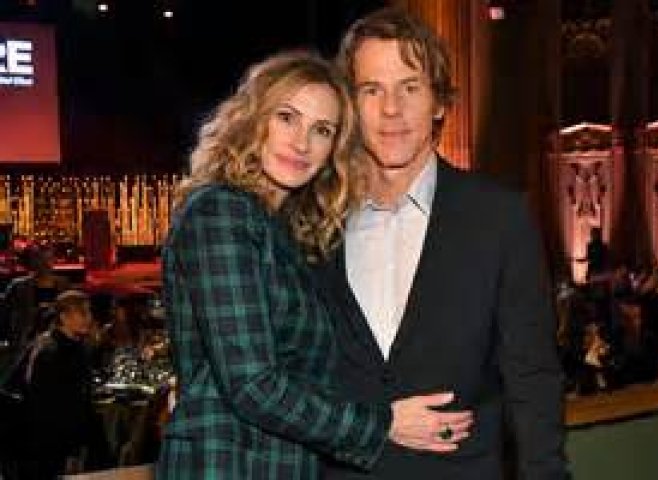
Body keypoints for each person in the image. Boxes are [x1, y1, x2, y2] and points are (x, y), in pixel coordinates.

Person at [155, 51, 473, 479]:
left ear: (333, 150)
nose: (301, 143)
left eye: (322, 130)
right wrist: (383, 425)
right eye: (287, 117)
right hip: (227, 464)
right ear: (254, 120)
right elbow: (253, 385)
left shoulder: (283, 232)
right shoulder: (221, 212)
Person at [321, 7, 568, 479]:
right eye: (372, 90)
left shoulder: (499, 218)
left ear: (438, 102)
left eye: (410, 88)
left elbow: (533, 379)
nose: (391, 109)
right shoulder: (315, 222)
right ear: (349, 106)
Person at [13, 290, 97, 479]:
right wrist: (71, 450)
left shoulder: (76, 347)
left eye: (89, 312)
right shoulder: (50, 351)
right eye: (82, 313)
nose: (89, 318)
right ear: (64, 317)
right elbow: (51, 407)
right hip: (46, 448)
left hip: (57, 444)